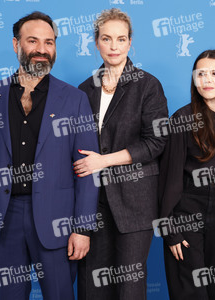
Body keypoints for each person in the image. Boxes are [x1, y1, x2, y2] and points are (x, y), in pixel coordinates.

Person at [0, 11, 99, 300]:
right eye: (33, 41)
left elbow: (87, 168)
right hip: (5, 220)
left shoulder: (74, 99)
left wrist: (83, 227)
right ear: (16, 44)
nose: (42, 50)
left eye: (49, 42)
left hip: (59, 221)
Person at [72, 8, 168, 300]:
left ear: (130, 43)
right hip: (93, 203)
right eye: (106, 38)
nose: (113, 46)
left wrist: (104, 161)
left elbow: (156, 142)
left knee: (129, 288)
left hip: (135, 202)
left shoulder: (147, 86)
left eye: (121, 39)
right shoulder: (84, 90)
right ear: (96, 43)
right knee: (92, 286)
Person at [158, 49, 215, 300]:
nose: (207, 80)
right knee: (191, 291)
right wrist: (170, 229)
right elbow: (169, 179)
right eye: (201, 74)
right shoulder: (182, 118)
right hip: (186, 210)